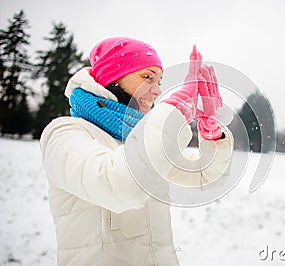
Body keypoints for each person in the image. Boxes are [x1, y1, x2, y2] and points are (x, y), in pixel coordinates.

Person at [40, 36, 233, 265]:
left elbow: (203, 176)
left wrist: (212, 134)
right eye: (148, 77)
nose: (157, 91)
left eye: (160, 81)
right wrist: (173, 112)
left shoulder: (142, 141)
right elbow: (117, 186)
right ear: (113, 78)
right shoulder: (64, 133)